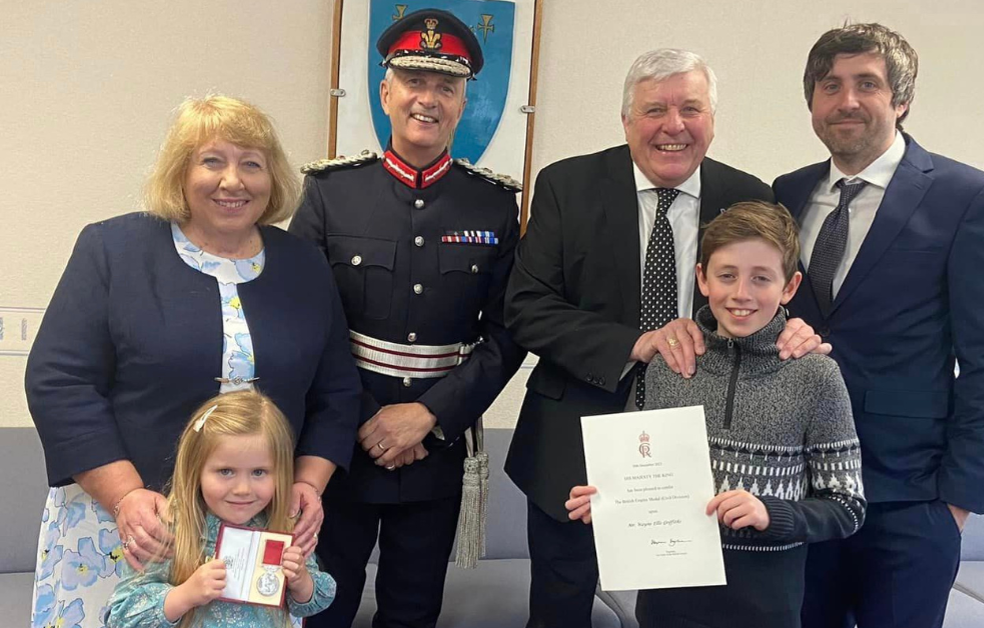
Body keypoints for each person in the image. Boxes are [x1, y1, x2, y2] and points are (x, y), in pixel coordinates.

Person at [502, 48, 827, 625]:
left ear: (711, 120)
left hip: (706, 452)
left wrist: (796, 330)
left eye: (690, 109)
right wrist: (638, 342)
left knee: (682, 613)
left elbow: (764, 297)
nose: (673, 126)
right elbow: (526, 308)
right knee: (559, 610)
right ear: (626, 120)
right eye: (655, 110)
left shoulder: (750, 194)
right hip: (574, 439)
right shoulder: (565, 185)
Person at [26, 95, 361, 628]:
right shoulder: (113, 249)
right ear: (180, 173)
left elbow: (337, 391)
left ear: (272, 179)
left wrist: (307, 483)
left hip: (254, 524)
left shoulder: (305, 265)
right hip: (133, 529)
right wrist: (126, 496)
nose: (234, 181)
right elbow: (59, 381)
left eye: (252, 164)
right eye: (212, 161)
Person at [287, 8, 527, 628]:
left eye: (445, 86)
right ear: (385, 91)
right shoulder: (330, 192)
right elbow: (301, 323)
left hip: (436, 447)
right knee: (318, 606)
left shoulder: (495, 204)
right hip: (337, 446)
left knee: (414, 611)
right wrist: (367, 418)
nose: (429, 98)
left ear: (463, 100)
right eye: (415, 81)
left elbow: (507, 332)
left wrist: (428, 416)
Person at [774, 23, 984, 628]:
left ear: (901, 100)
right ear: (812, 102)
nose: (847, 101)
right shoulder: (787, 193)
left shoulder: (965, 196)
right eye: (830, 85)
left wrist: (956, 502)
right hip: (798, 494)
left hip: (911, 501)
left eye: (867, 84)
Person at [563, 201, 866, 628]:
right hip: (665, 607)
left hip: (766, 608)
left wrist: (770, 513)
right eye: (727, 276)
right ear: (702, 278)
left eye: (761, 278)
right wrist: (611, 503)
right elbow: (641, 473)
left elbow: (848, 507)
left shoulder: (816, 374)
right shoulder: (669, 366)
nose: (741, 293)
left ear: (790, 286)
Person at [106, 390, 337, 627]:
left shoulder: (283, 526)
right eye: (226, 471)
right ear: (195, 471)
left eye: (259, 472)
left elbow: (315, 600)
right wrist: (185, 595)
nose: (243, 489)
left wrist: (301, 581)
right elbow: (121, 616)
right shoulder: (168, 530)